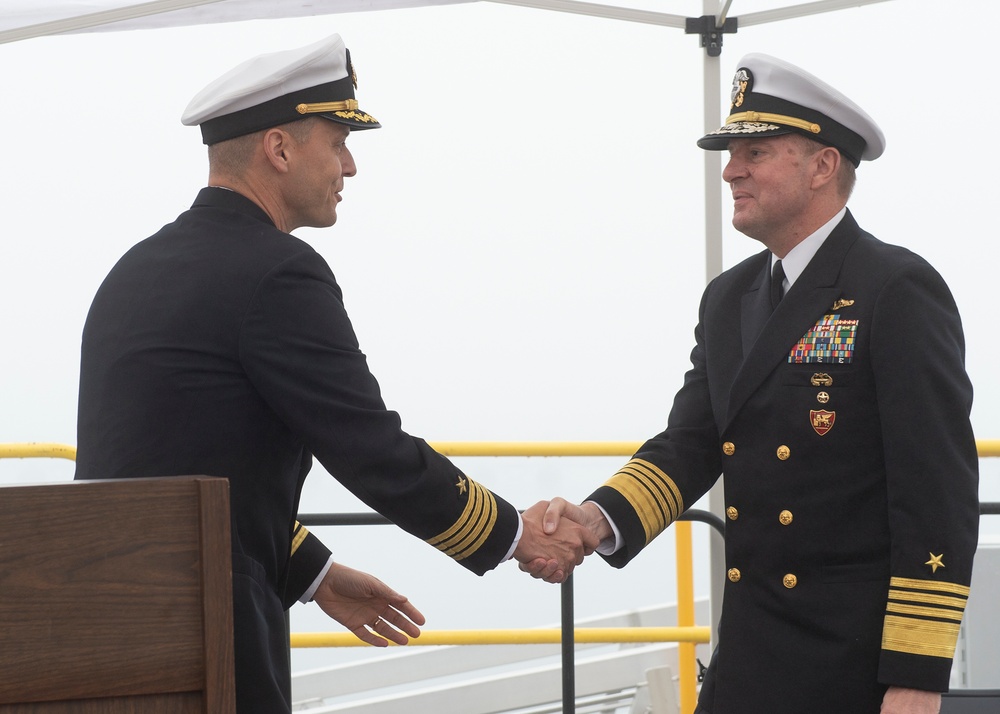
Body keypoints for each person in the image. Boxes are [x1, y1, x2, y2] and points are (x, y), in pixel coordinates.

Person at [74, 34, 596, 713]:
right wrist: (514, 534)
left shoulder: (134, 270)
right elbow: (370, 448)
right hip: (207, 629)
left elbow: (161, 468)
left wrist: (314, 573)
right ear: (280, 149)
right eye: (338, 141)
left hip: (102, 623)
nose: (349, 166)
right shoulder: (277, 272)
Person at [528, 53, 979, 714]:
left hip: (853, 662)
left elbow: (936, 490)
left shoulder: (894, 289)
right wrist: (598, 520)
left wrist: (916, 675)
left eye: (756, 152)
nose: (730, 169)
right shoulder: (729, 297)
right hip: (752, 650)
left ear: (822, 166)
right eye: (731, 153)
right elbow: (691, 443)